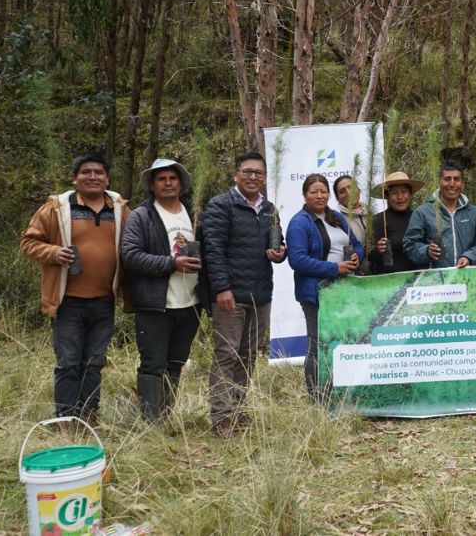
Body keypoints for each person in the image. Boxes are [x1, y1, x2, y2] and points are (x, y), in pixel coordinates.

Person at [21, 152, 131, 423]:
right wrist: (53, 252)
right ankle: (65, 419)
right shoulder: (57, 208)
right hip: (67, 301)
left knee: (94, 362)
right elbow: (29, 242)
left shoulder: (120, 210)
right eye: (86, 172)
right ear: (75, 178)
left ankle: (89, 415)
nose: (93, 177)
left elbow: (134, 245)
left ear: (107, 178)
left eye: (99, 172)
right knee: (69, 362)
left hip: (104, 301)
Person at [200, 151, 287, 438]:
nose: (253, 177)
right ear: (236, 174)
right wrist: (222, 289)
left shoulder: (270, 209)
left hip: (260, 294)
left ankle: (238, 410)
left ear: (264, 178)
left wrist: (280, 253)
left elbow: (279, 243)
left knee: (248, 355)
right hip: (230, 296)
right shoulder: (220, 205)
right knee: (226, 354)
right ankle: (221, 418)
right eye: (247, 172)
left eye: (258, 173)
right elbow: (212, 251)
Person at [120, 158, 206, 421]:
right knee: (153, 364)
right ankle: (151, 422)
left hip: (191, 302)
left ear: (181, 183)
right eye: (162, 179)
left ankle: (166, 417)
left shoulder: (195, 212)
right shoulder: (141, 216)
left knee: (176, 362)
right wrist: (172, 263)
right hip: (155, 304)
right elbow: (130, 255)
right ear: (152, 185)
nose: (168, 183)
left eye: (173, 178)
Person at [287, 174, 364, 403]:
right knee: (318, 344)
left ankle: (340, 392)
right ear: (304, 195)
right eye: (314, 192)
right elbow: (297, 260)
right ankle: (317, 396)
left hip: (343, 290)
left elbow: (357, 245)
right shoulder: (300, 222)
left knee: (342, 341)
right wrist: (334, 268)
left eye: (323, 192)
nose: (319, 196)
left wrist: (357, 257)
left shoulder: (336, 217)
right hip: (316, 292)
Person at [403, 161, 476, 269]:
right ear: (439, 182)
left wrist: (468, 257)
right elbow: (410, 245)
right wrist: (426, 251)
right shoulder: (422, 212)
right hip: (434, 277)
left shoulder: (474, 213)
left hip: (466, 275)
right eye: (447, 179)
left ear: (463, 184)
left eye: (456, 179)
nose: (452, 184)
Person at [369, 171, 425, 274]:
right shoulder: (379, 220)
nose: (400, 197)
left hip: (419, 278)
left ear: (410, 194)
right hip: (388, 279)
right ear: (387, 196)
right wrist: (378, 250)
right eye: (394, 193)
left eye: (404, 191)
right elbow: (369, 255)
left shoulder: (418, 217)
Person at [333, 174, 367, 246]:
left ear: (359, 190)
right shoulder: (336, 219)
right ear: (337, 198)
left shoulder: (371, 211)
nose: (348, 193)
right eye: (342, 191)